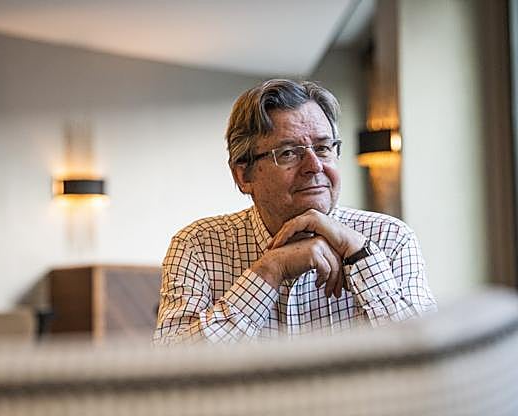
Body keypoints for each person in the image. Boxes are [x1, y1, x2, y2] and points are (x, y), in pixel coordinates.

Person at [153, 79, 437, 345]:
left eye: (323, 148)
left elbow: (428, 356)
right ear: (244, 175)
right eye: (288, 152)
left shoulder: (390, 238)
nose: (314, 166)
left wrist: (361, 256)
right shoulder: (197, 245)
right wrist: (270, 269)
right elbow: (172, 365)